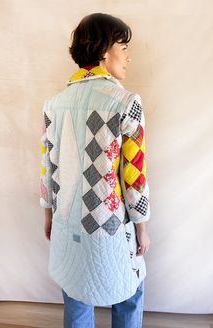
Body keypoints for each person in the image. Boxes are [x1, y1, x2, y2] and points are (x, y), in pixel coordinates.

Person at [40, 13, 151, 328]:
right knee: (131, 291)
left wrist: (48, 214)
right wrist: (142, 226)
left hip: (65, 220)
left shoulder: (53, 104)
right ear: (104, 50)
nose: (128, 56)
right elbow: (135, 174)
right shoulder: (126, 102)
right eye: (122, 45)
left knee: (76, 290)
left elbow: (46, 166)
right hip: (110, 225)